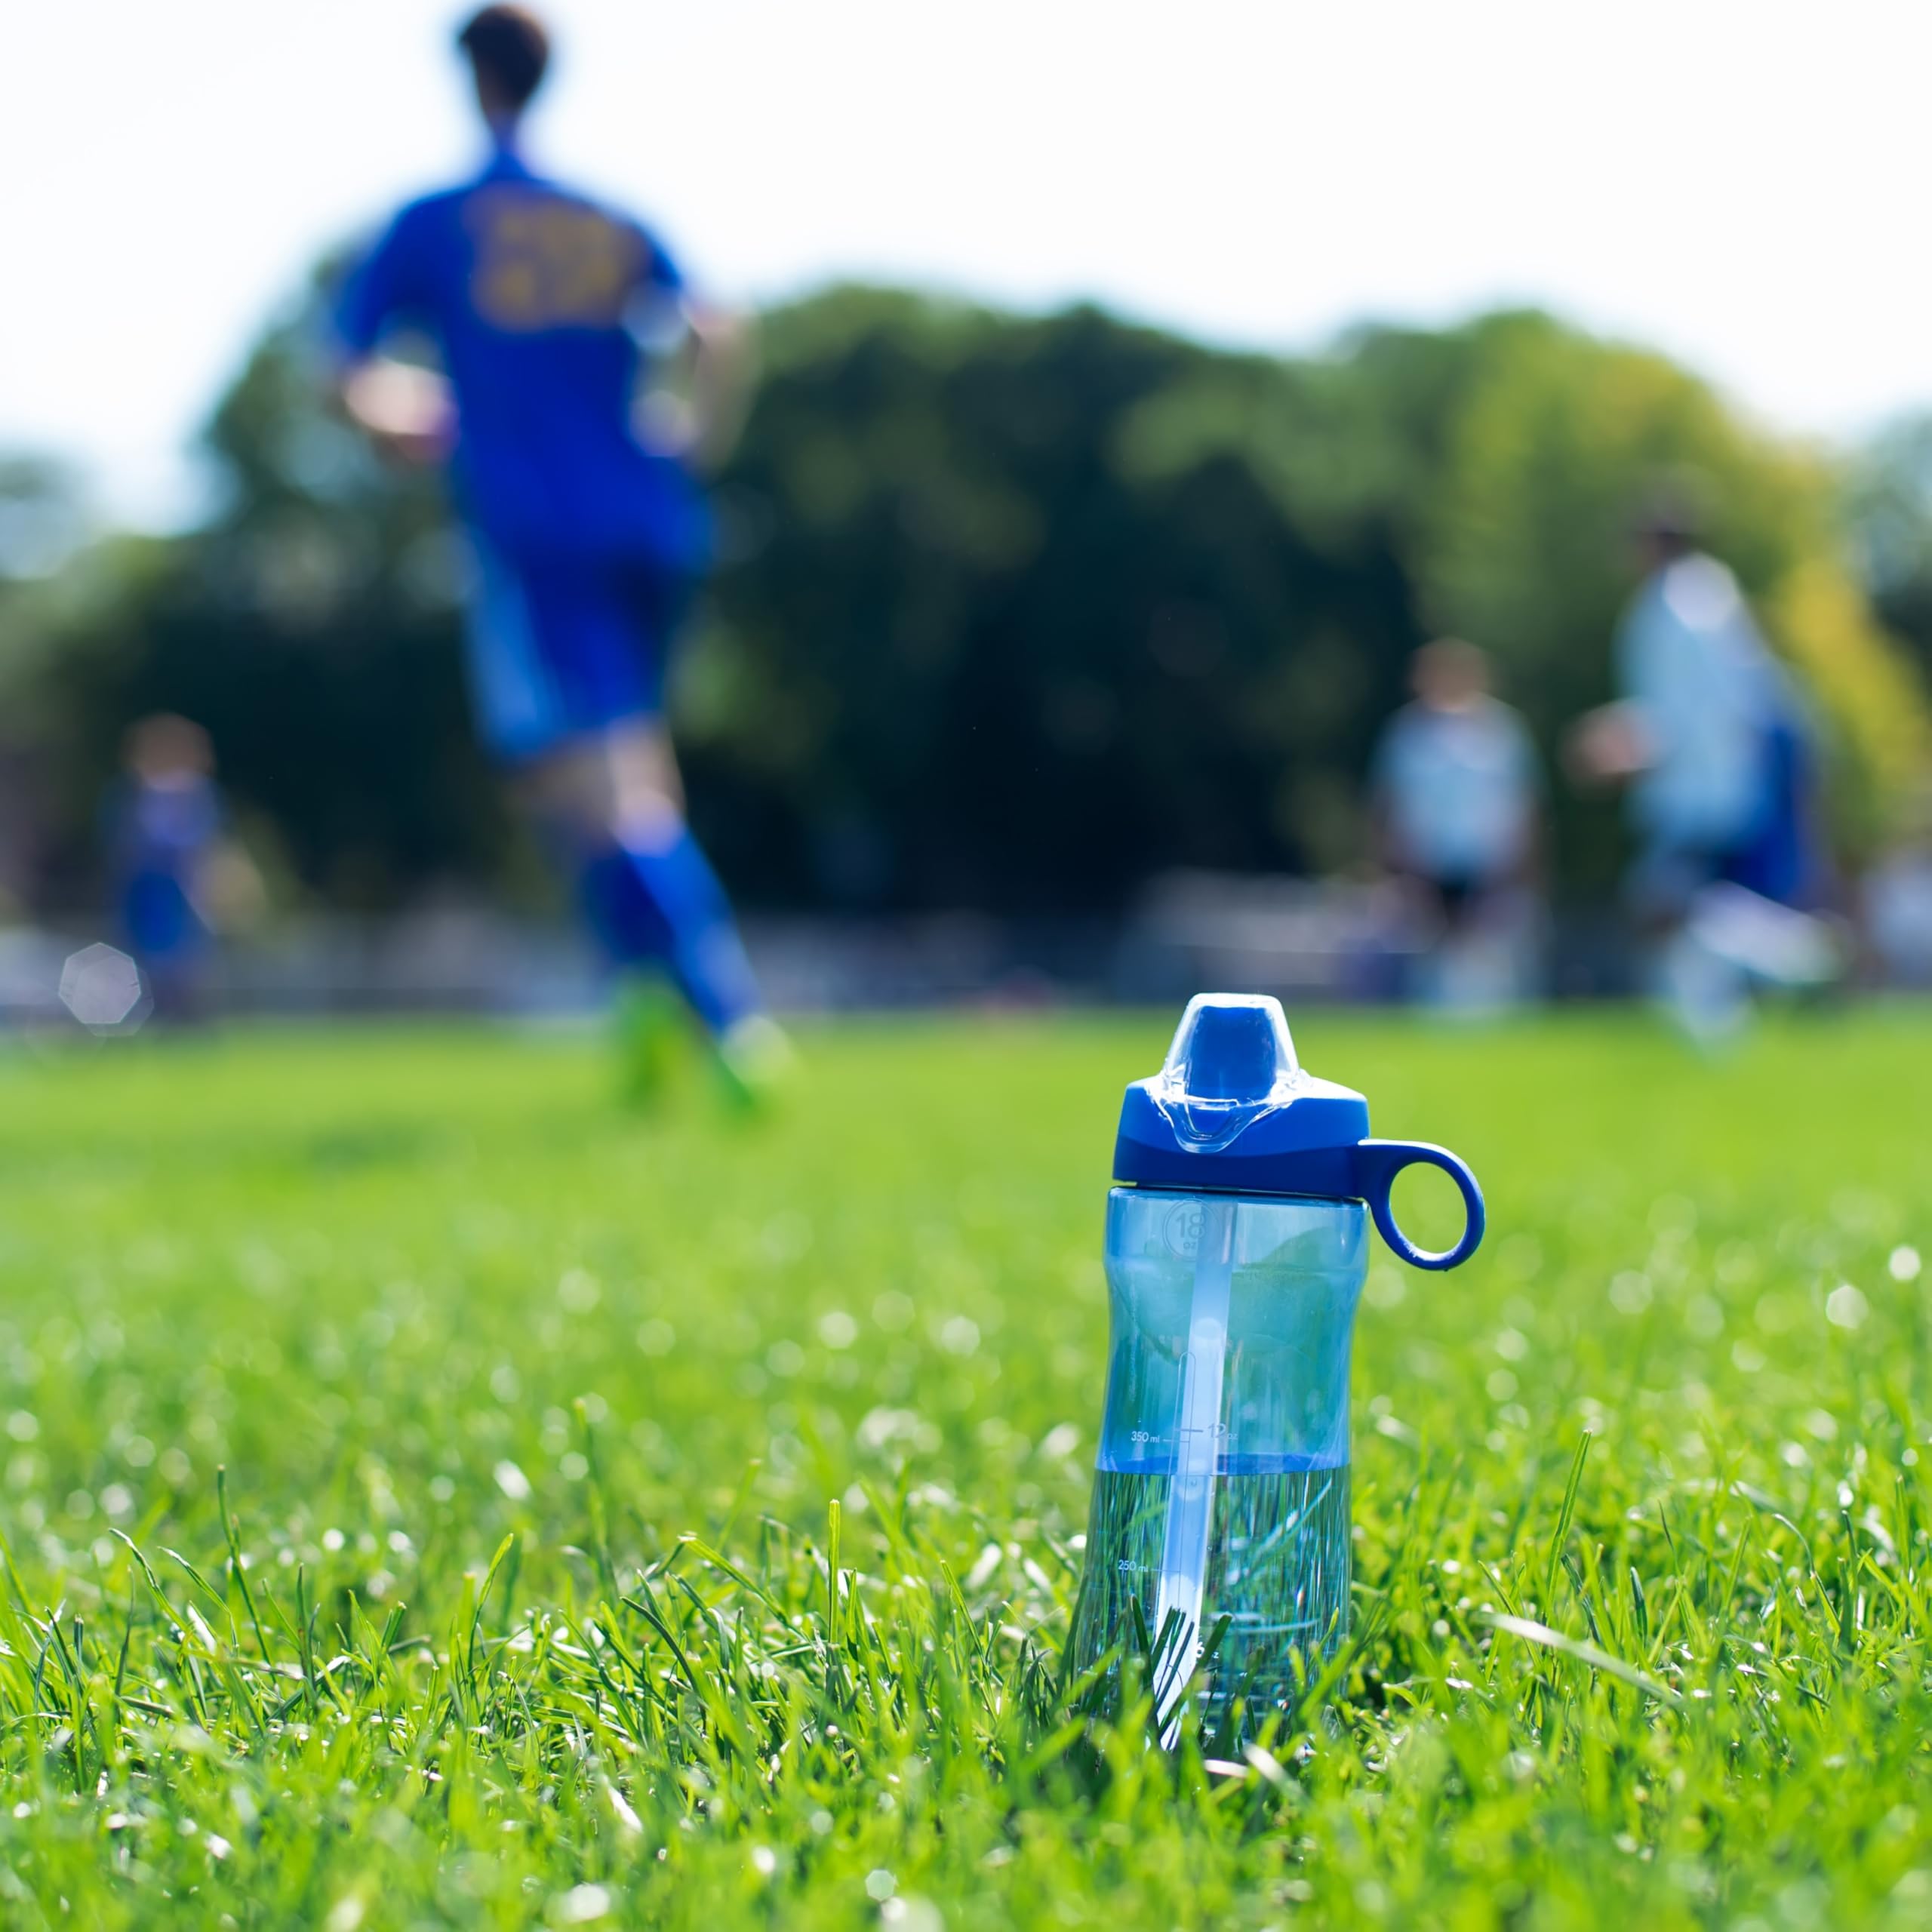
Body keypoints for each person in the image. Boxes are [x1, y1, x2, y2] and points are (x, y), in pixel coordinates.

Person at [331, 5, 786, 1104]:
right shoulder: (610, 218)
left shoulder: (439, 221)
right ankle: (643, 1008)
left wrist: (397, 413)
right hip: (647, 516)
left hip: (534, 531)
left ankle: (729, 1020)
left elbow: (352, 369)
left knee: (595, 789)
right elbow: (718, 332)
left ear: (469, 79)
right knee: (613, 771)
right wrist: (692, 432)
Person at [1568, 494, 1841, 1035]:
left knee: (1669, 909)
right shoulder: (1713, 596)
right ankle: (1751, 1001)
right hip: (1728, 782)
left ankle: (1803, 963)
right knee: (1700, 911)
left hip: (1696, 791)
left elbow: (1682, 716)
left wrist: (1623, 750)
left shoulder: (1668, 613)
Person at [1370, 638, 1542, 1008]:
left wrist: (1523, 869)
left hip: (1490, 865)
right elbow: (1388, 805)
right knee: (1430, 964)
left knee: (1488, 964)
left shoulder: (1502, 731)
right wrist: (1395, 869)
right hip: (1425, 865)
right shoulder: (1406, 734)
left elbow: (1524, 804)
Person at [109, 715, 261, 1020]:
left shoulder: (199, 794)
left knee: (187, 969)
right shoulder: (139, 794)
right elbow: (133, 848)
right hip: (153, 893)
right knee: (153, 970)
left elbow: (210, 846)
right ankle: (162, 1020)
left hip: (187, 893)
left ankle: (183, 1021)